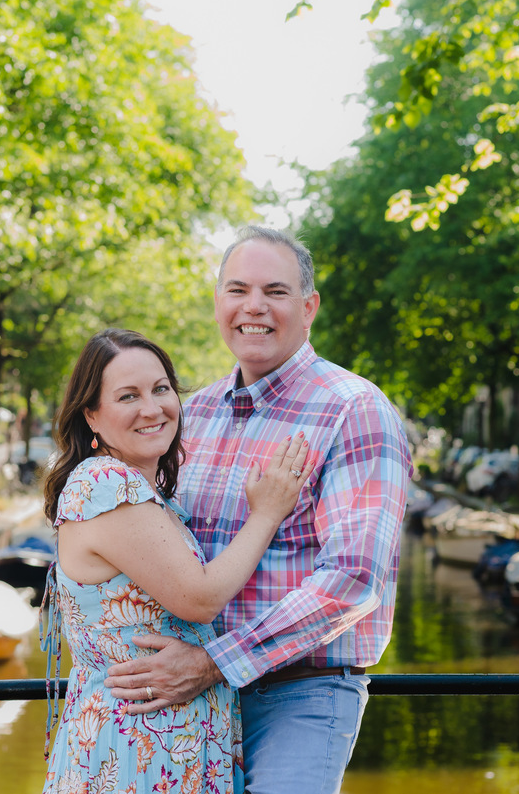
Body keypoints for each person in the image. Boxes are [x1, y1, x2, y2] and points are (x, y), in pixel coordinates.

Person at [104, 226, 413, 793]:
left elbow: (351, 580)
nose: (254, 308)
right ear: (218, 302)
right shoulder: (190, 414)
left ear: (309, 306)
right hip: (190, 692)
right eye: (237, 290)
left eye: (275, 291)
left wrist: (214, 662)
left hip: (301, 694)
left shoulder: (354, 410)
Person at [39, 327, 310, 793]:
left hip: (166, 744)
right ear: (92, 416)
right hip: (135, 752)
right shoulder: (106, 484)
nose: (152, 408)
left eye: (161, 389)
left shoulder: (143, 492)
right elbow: (199, 598)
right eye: (128, 396)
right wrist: (266, 514)